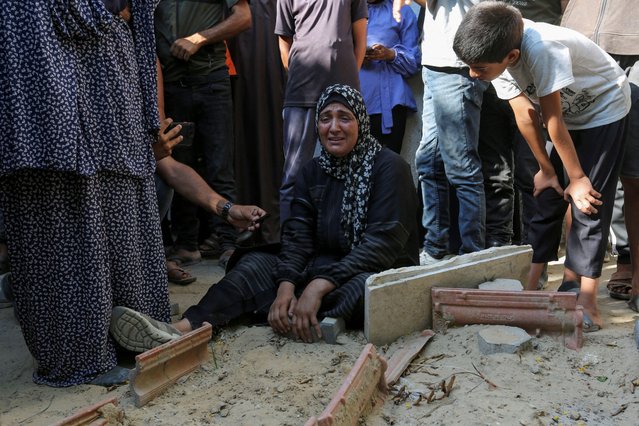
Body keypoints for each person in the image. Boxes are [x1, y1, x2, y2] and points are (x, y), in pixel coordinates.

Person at [109, 84, 419, 349]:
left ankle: (296, 305)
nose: (333, 127)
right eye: (325, 118)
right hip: (319, 266)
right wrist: (287, 285)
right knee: (254, 264)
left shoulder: (389, 168)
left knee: (367, 289)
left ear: (361, 123)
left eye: (344, 118)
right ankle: (182, 329)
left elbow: (381, 245)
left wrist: (317, 286)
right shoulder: (312, 171)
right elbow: (297, 238)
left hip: (368, 268)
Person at [453, 1, 631, 330]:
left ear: (511, 58)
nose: (472, 74)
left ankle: (588, 301)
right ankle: (530, 286)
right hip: (567, 119)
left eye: (478, 67)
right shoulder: (501, 54)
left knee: (588, 201)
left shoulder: (541, 48)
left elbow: (552, 118)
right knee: (546, 197)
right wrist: (547, 170)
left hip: (604, 106)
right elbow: (525, 116)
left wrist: (577, 178)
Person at [154, 0, 252, 269]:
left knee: (219, 163)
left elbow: (244, 17)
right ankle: (187, 245)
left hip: (211, 82)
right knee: (178, 165)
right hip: (172, 87)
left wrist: (199, 38)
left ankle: (229, 244)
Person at [561, 0, 639, 312]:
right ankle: (575, 278)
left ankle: (633, 267)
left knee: (635, 176)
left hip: (635, 44)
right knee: (580, 178)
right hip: (579, 41)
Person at [410, 0, 488, 265]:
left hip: (458, 67)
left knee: (461, 167)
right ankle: (435, 247)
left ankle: (472, 255)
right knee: (428, 162)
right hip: (434, 62)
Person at [275, 0, 368, 222]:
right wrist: (300, 75)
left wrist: (346, 83)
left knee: (350, 171)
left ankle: (347, 242)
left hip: (342, 95)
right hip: (301, 92)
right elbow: (283, 43)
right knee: (293, 175)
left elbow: (361, 41)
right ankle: (291, 246)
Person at [360, 0, 420, 154]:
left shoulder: (402, 11)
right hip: (355, 104)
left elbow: (414, 63)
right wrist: (357, 55)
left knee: (389, 168)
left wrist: (390, 54)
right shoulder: (347, 11)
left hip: (391, 103)